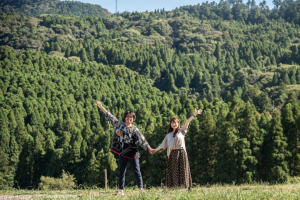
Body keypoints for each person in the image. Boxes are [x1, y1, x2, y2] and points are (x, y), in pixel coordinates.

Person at [96, 101, 154, 195]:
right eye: (127, 116)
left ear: (133, 119)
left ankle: (141, 189)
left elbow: (141, 139)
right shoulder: (120, 124)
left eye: (131, 117)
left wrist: (149, 148)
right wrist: (101, 107)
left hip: (133, 153)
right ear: (125, 117)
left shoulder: (135, 129)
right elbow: (110, 117)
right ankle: (121, 190)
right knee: (121, 171)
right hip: (123, 152)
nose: (128, 118)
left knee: (137, 171)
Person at [151, 108, 203, 191]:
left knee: (184, 170)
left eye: (175, 122)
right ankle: (173, 188)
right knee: (174, 171)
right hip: (173, 154)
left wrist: (194, 115)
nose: (174, 124)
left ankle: (189, 187)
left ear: (178, 123)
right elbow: (162, 145)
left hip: (182, 153)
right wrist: (155, 150)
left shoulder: (182, 131)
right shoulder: (168, 135)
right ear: (170, 124)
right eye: (172, 123)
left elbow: (187, 122)